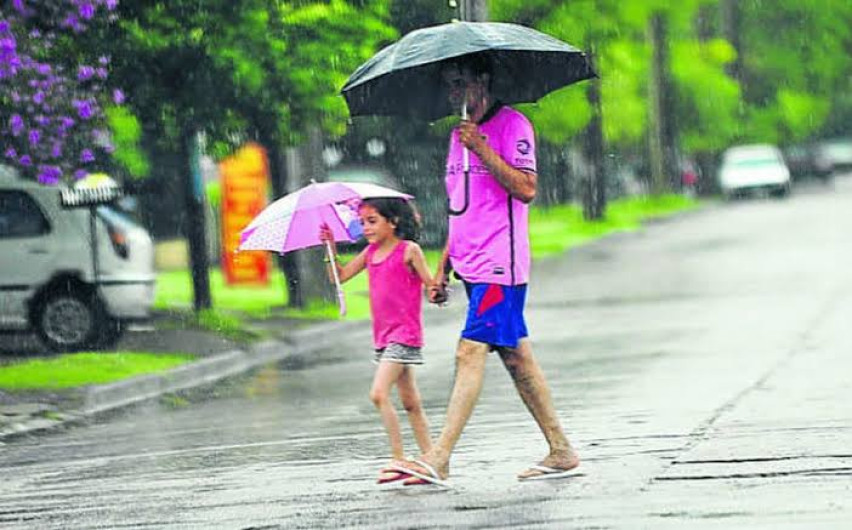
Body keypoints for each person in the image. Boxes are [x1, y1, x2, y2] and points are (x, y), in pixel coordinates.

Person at [392, 56, 580, 486]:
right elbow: (460, 208)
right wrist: (442, 267)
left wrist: (482, 148)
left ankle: (439, 457)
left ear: (483, 80)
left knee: (470, 350)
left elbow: (526, 188)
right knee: (515, 356)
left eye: (460, 82)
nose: (453, 93)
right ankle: (561, 449)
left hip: (500, 267)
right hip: (471, 265)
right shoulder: (456, 136)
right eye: (448, 85)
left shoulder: (513, 126)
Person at [319, 197, 437, 484]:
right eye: (362, 223)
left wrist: (437, 291)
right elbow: (339, 277)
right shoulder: (370, 253)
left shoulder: (409, 250)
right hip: (383, 337)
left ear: (392, 221)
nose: (366, 228)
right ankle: (432, 459)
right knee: (410, 401)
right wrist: (330, 248)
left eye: (372, 221)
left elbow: (430, 285)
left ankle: (399, 458)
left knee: (378, 393)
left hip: (404, 335)